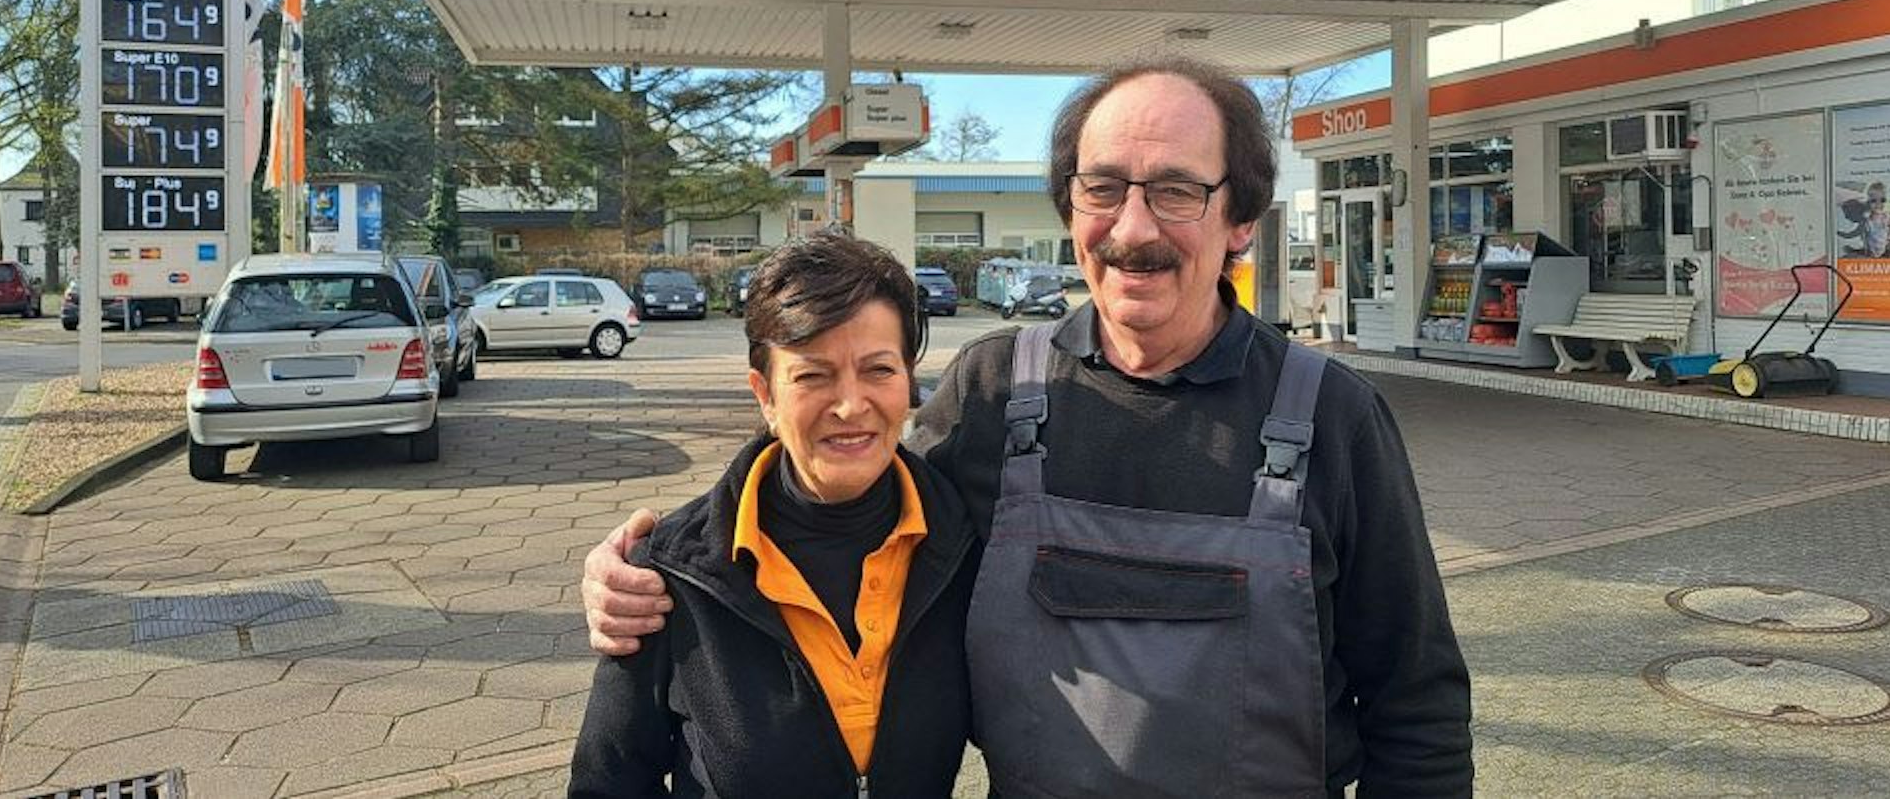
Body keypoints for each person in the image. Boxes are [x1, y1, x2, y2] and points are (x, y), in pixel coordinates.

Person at [584, 57, 1473, 797]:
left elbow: (1418, 705)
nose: (1132, 228)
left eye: (1174, 191)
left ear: (1240, 220)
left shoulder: (1334, 416)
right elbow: (839, 497)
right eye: (1103, 188)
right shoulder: (997, 388)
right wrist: (652, 565)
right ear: (1069, 208)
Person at [568, 232, 977, 797]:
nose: (851, 405)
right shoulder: (668, 576)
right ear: (765, 395)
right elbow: (608, 781)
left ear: (909, 381)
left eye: (879, 369)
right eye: (813, 375)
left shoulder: (963, 542)